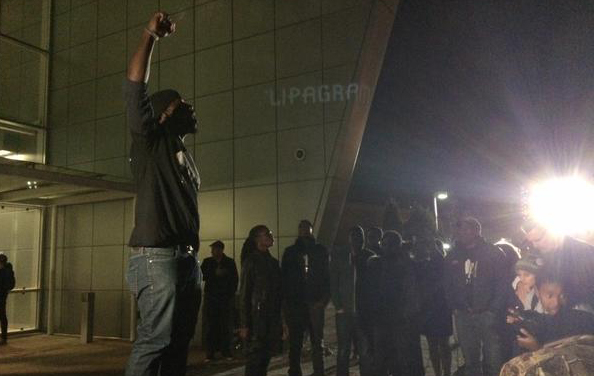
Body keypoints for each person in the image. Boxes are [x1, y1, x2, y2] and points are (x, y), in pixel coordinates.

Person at [124, 11, 201, 376]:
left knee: (178, 345)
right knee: (155, 340)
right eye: (181, 102)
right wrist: (149, 36)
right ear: (163, 114)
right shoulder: (150, 142)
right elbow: (134, 88)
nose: (190, 107)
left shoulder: (183, 154)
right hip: (157, 260)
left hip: (185, 261)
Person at [443, 217, 508, 376]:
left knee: (493, 360)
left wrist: (494, 309)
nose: (462, 233)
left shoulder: (493, 252)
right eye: (460, 230)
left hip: (487, 314)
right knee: (470, 360)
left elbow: (503, 283)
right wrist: (455, 306)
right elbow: (447, 283)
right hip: (463, 315)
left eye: (466, 229)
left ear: (476, 231)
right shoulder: (453, 255)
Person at [370, 231, 424, 376]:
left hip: (402, 319)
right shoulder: (377, 263)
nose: (386, 248)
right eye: (384, 244)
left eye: (390, 245)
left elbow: (412, 293)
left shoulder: (407, 265)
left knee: (403, 360)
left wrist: (407, 314)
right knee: (381, 360)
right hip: (381, 319)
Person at [282, 220, 330, 376]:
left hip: (315, 302)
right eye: (301, 228)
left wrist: (323, 300)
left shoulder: (320, 251)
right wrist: (287, 303)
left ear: (311, 230)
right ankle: (294, 371)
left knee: (317, 342)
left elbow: (327, 276)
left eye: (306, 229)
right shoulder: (290, 252)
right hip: (296, 304)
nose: (304, 231)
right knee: (295, 342)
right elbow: (285, 278)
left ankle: (319, 371)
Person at [513, 266, 594, 351]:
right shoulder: (542, 319)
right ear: (537, 291)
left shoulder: (582, 320)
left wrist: (537, 349)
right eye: (550, 296)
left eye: (562, 296)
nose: (556, 302)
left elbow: (576, 358)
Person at [239, 225, 284, 376]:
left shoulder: (273, 263)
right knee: (255, 361)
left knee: (264, 359)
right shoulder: (251, 262)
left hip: (271, 318)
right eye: (267, 234)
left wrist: (281, 320)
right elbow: (244, 294)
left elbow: (278, 293)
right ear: (258, 239)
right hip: (256, 320)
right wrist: (244, 324)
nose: (271, 236)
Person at [330, 226, 375, 376]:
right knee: (343, 350)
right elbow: (333, 282)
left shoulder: (369, 256)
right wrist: (338, 305)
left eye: (360, 237)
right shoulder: (340, 256)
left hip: (363, 313)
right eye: (354, 236)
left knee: (364, 350)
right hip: (344, 313)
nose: (358, 240)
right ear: (349, 238)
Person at [523, 222, 594, 310]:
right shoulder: (541, 255)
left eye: (537, 240)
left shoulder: (585, 253)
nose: (535, 245)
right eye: (531, 242)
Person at [415, 240, 452, 376]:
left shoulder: (443, 264)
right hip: (429, 308)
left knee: (443, 343)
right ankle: (438, 372)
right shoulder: (423, 265)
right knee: (432, 344)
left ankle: (446, 372)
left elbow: (441, 261)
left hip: (441, 307)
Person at [201, 240, 238, 361]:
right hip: (211, 298)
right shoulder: (207, 262)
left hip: (224, 299)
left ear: (221, 250)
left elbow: (234, 280)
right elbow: (202, 276)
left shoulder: (229, 262)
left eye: (215, 249)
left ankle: (225, 351)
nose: (212, 252)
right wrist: (214, 273)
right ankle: (210, 352)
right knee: (211, 325)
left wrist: (230, 294)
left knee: (225, 325)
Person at [0, 254, 15, 345]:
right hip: (3, 295)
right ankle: (4, 337)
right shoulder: (8, 270)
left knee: (2, 315)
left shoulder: (5, 271)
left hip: (1, 295)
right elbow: (11, 284)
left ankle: (4, 337)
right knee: (2, 315)